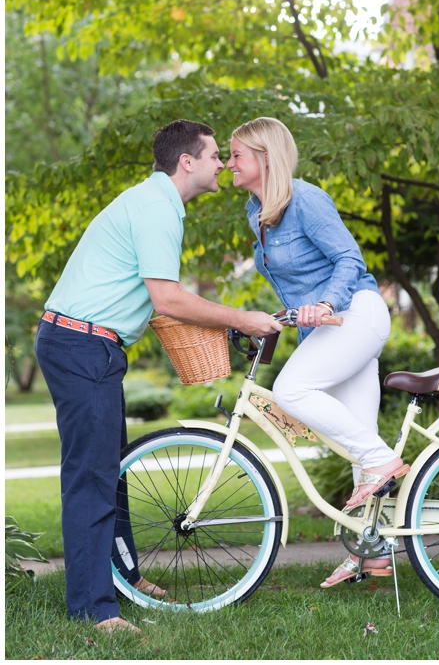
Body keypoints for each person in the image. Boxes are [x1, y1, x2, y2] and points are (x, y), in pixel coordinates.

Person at [34, 119, 284, 633]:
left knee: (112, 470)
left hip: (90, 345)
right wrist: (243, 318)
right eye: (216, 154)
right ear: (186, 161)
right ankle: (94, 610)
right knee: (92, 479)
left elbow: (157, 298)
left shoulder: (157, 204)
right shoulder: (156, 210)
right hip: (82, 345)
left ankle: (123, 574)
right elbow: (167, 298)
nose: (223, 163)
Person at [227, 116, 403, 588]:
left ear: (265, 158)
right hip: (328, 331)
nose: (228, 164)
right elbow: (294, 287)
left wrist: (324, 302)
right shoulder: (255, 211)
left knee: (290, 389)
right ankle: (373, 552)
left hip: (355, 315)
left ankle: (385, 463)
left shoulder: (305, 199)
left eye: (236, 155)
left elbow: (349, 260)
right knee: (355, 443)